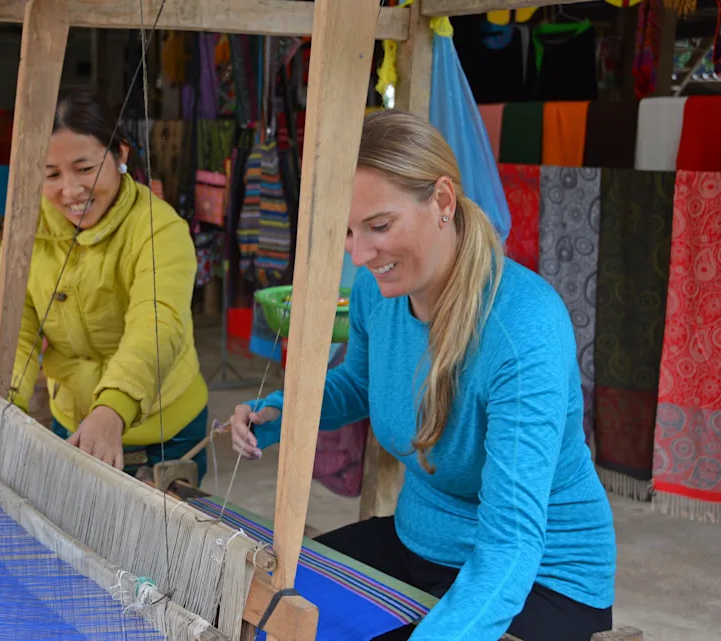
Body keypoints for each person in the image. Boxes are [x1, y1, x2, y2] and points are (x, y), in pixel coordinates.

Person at [228, 110, 616, 641]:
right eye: (347, 230)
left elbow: (511, 546)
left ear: (442, 202)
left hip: (542, 581)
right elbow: (363, 383)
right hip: (422, 545)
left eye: (379, 226)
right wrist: (278, 414)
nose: (360, 254)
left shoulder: (524, 331)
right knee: (260, 604)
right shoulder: (378, 292)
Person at [0, 87, 209, 483]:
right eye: (51, 174)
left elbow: (157, 327)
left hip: (163, 433)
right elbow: (15, 323)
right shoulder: (26, 228)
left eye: (85, 168)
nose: (71, 191)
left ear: (120, 154)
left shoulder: (160, 230)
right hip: (73, 424)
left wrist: (112, 409)